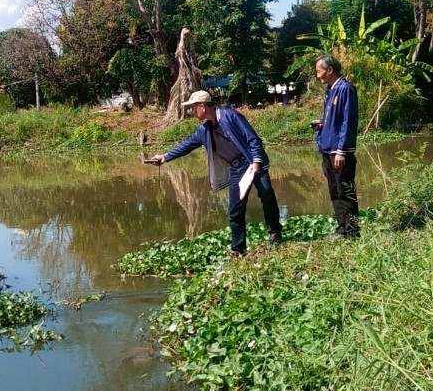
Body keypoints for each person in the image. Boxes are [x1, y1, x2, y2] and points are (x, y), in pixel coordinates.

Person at [145, 90, 284, 255]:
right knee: (235, 210)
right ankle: (238, 250)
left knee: (267, 195)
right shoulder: (204, 129)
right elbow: (187, 145)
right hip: (236, 168)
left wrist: (256, 162)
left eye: (193, 107)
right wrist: (165, 157)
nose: (192, 111)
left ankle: (275, 234)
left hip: (251, 161)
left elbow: (252, 138)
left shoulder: (230, 115)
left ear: (203, 107)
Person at [311, 55, 359, 238]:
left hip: (338, 152)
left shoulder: (345, 88)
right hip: (327, 149)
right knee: (335, 191)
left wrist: (341, 151)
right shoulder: (330, 90)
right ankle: (342, 227)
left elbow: (348, 121)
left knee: (345, 190)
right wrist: (322, 125)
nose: (318, 76)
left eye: (319, 71)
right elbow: (334, 120)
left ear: (330, 70)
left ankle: (352, 231)